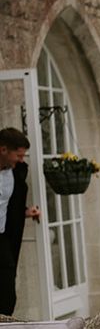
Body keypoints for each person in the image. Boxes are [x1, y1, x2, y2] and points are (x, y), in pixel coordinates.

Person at [0, 128, 41, 316]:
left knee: (7, 291)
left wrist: (25, 212)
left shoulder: (15, 173)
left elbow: (9, 205)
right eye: (18, 155)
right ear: (3, 150)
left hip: (3, 238)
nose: (21, 160)